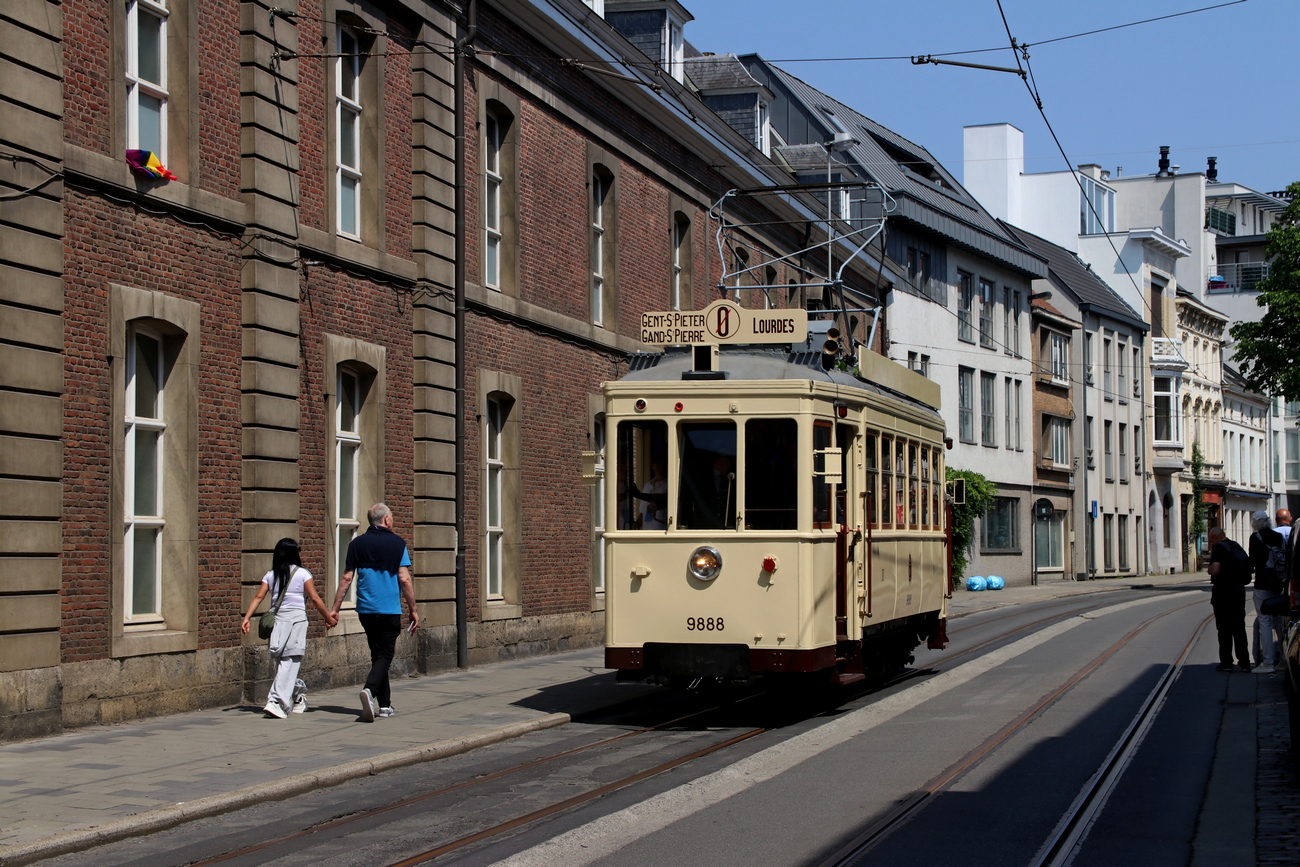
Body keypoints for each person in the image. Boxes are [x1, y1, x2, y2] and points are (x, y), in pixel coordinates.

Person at [331, 503, 419, 722]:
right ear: (386, 520)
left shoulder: (357, 544)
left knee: (378, 654)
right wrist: (413, 609)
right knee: (385, 655)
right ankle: (369, 690)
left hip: (366, 609)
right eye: (392, 517)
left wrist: (335, 608)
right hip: (388, 609)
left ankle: (385, 705)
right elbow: (404, 578)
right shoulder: (398, 543)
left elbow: (346, 578)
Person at [241, 538, 336, 718]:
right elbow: (315, 599)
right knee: (288, 662)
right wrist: (329, 618)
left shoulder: (271, 575)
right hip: (296, 620)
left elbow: (258, 597)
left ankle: (293, 698)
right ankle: (278, 701)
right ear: (295, 553)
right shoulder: (303, 574)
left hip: (278, 621)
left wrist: (247, 618)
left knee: (284, 662)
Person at [1207, 527, 1251, 672]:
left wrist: (1210, 569)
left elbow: (1216, 570)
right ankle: (1244, 662)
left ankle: (1226, 662)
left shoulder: (1218, 548)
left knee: (1224, 629)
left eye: (1210, 539)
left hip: (1222, 592)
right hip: (1238, 591)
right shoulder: (1235, 545)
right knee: (1239, 627)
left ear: (1214, 537)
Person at [1248, 511, 1287, 673]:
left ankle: (1268, 662)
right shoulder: (1278, 537)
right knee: (1278, 620)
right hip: (1278, 583)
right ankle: (1284, 658)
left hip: (1263, 583)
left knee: (1264, 621)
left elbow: (1254, 561)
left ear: (1255, 524)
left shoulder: (1255, 538)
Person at [638, 458, 668, 530]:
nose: (661, 468)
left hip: (661, 529)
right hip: (647, 529)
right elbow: (643, 509)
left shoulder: (668, 485)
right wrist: (638, 523)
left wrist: (637, 494)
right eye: (659, 465)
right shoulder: (647, 485)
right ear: (653, 466)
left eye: (663, 465)